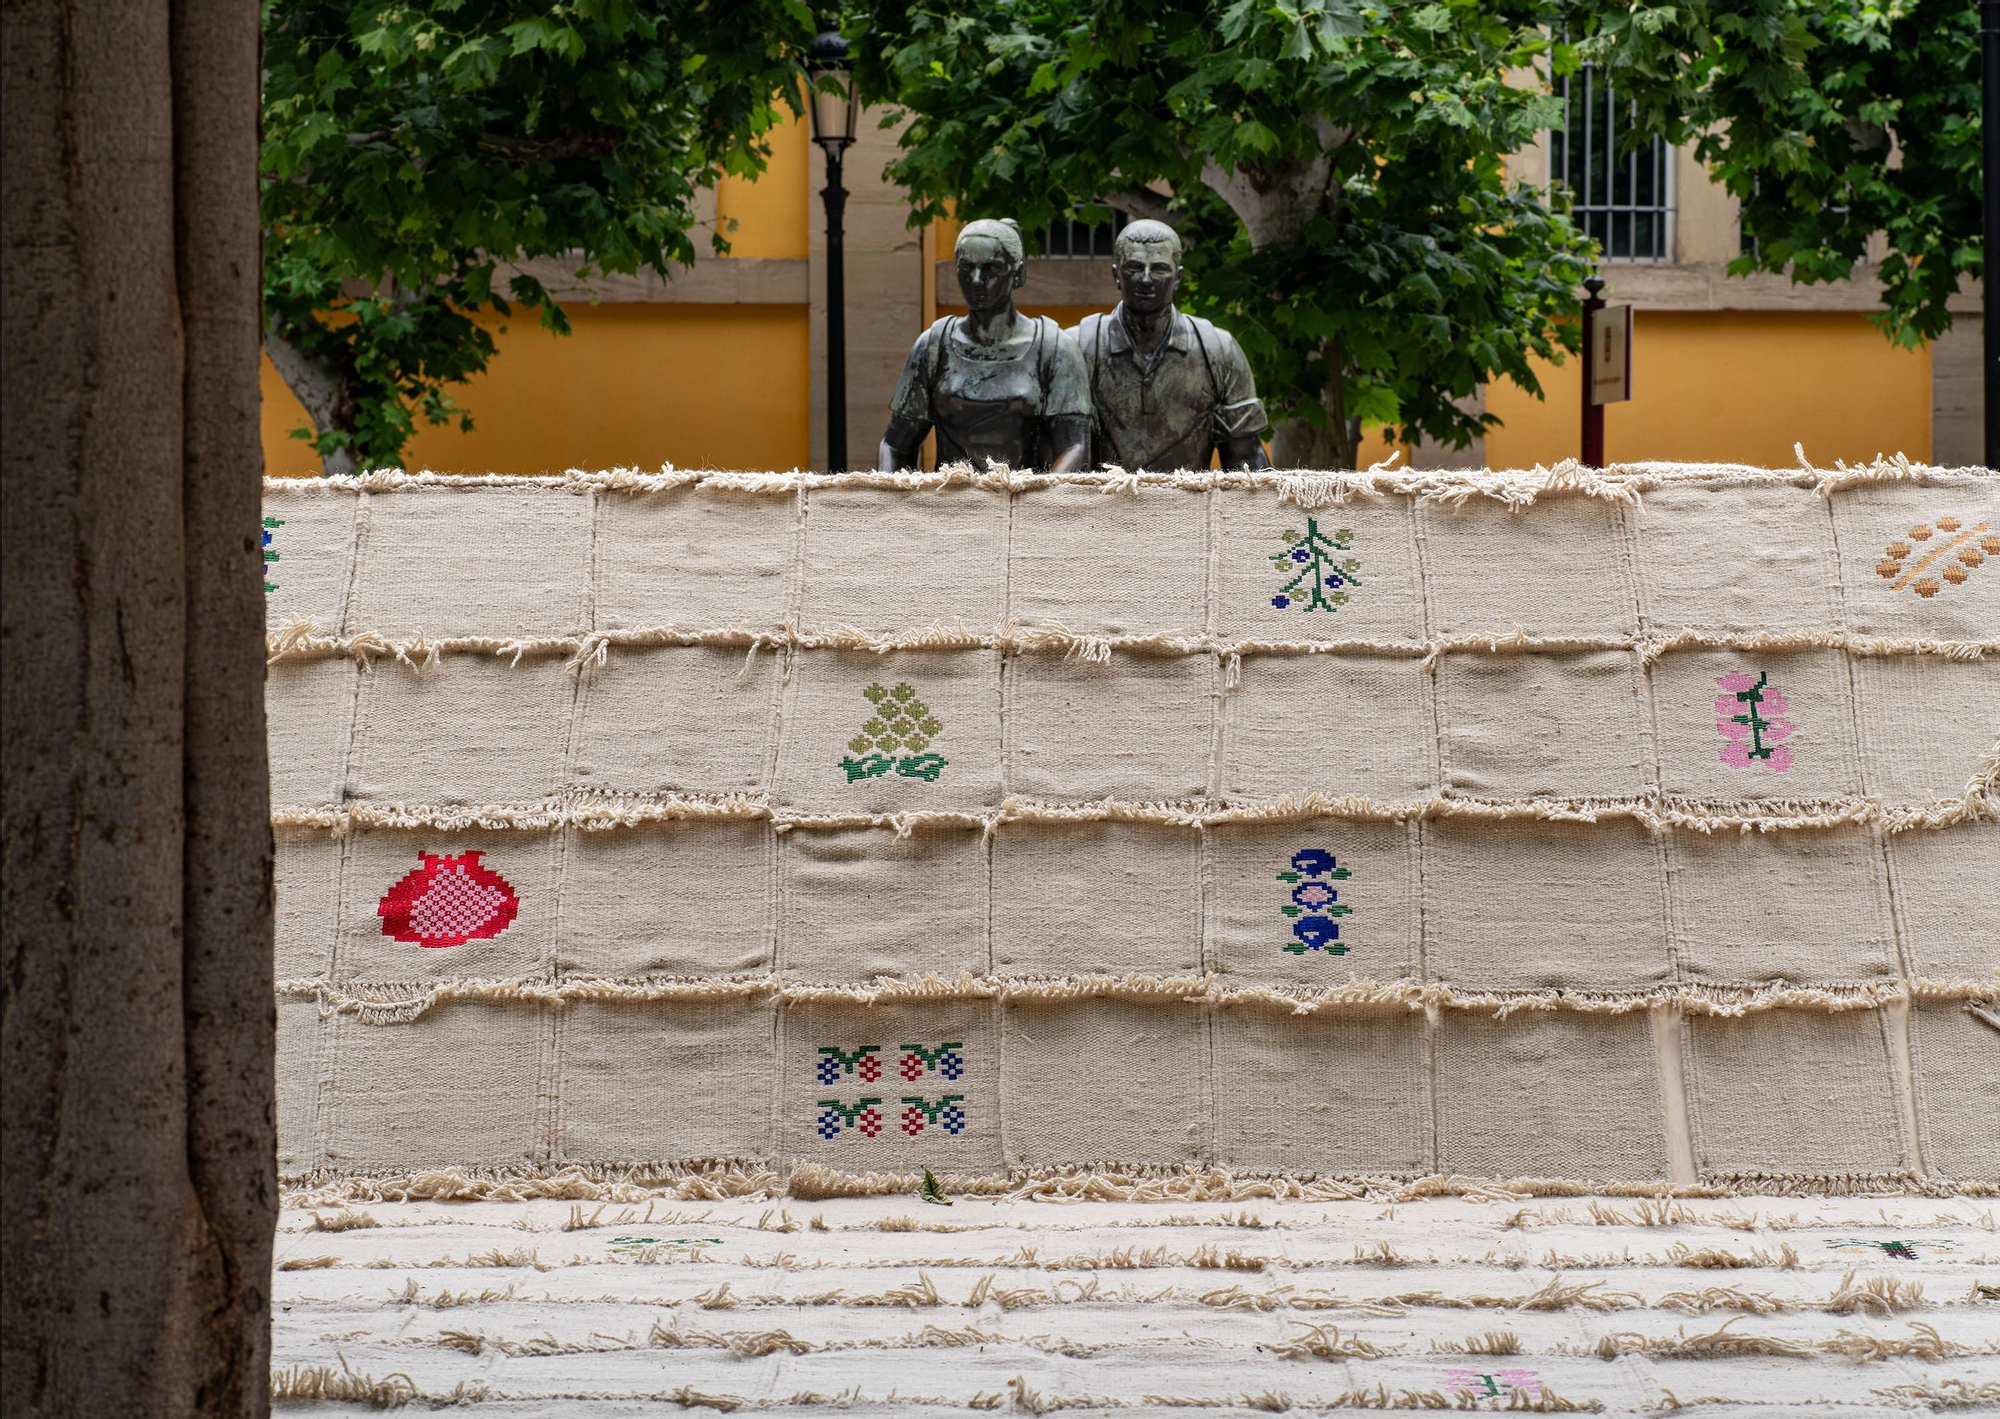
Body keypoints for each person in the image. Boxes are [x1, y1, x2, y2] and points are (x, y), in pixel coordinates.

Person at [879, 218, 1090, 473]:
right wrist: (892, 494)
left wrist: (1042, 496)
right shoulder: (934, 345)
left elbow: (1074, 446)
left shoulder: (1055, 348)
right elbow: (896, 445)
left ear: (1017, 273)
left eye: (991, 269)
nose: (977, 280)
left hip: (1025, 495)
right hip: (951, 496)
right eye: (966, 267)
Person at [1069, 219, 1271, 472]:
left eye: (1159, 269)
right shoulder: (1078, 346)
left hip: (1189, 498)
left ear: (1178, 277)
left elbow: (1247, 460)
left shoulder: (1218, 350)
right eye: (1134, 267)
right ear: (1116, 275)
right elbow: (1055, 452)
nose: (1146, 279)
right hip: (1100, 498)